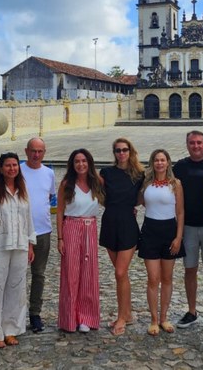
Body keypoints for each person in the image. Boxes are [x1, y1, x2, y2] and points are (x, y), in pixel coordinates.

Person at [0, 152, 36, 348]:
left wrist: (29, 244)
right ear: (1, 169)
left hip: (19, 246)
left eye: (15, 165)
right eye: (8, 165)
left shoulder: (22, 190)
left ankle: (11, 329)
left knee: (16, 289)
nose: (12, 168)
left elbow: (28, 219)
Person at [173, 130, 203, 333]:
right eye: (192, 143)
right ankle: (192, 310)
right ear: (187, 145)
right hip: (189, 226)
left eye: (199, 143)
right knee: (190, 269)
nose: (196, 146)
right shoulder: (180, 167)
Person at [98, 137, 144, 336]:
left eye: (125, 150)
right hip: (110, 223)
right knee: (121, 274)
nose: (121, 153)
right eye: (118, 150)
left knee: (119, 272)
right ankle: (128, 314)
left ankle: (121, 317)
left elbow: (144, 196)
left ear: (130, 151)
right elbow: (99, 195)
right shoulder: (106, 173)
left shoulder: (139, 175)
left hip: (127, 225)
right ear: (114, 153)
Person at [56, 148, 105, 333]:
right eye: (77, 161)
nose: (81, 164)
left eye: (84, 161)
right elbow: (60, 211)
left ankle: (86, 317)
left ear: (89, 163)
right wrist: (60, 238)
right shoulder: (67, 184)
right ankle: (70, 318)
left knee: (89, 275)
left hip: (90, 228)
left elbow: (112, 200)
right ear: (72, 164)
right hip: (71, 227)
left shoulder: (97, 182)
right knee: (71, 274)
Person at [138, 149, 185, 336]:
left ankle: (164, 317)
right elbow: (139, 201)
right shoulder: (146, 183)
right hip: (150, 231)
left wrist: (178, 237)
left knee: (167, 278)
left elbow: (180, 212)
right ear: (152, 163)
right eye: (156, 160)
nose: (159, 163)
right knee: (153, 278)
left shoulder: (176, 184)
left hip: (169, 232)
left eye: (162, 160)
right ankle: (154, 319)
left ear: (168, 163)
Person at [20, 137, 56, 333]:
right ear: (26, 151)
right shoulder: (18, 171)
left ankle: (35, 313)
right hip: (21, 232)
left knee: (39, 275)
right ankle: (14, 315)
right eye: (33, 151)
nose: (36, 155)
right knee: (16, 275)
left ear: (44, 152)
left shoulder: (49, 174)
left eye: (40, 151)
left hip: (42, 231)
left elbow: (49, 197)